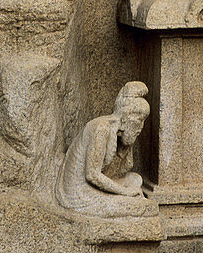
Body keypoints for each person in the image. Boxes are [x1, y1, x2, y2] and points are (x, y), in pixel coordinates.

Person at [56, 81, 157, 218]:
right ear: (129, 118)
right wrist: (124, 192)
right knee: (147, 208)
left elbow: (122, 170)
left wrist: (127, 145)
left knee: (135, 180)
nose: (140, 128)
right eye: (139, 121)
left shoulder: (117, 132)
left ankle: (124, 198)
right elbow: (92, 174)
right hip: (78, 194)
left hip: (93, 186)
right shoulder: (101, 129)